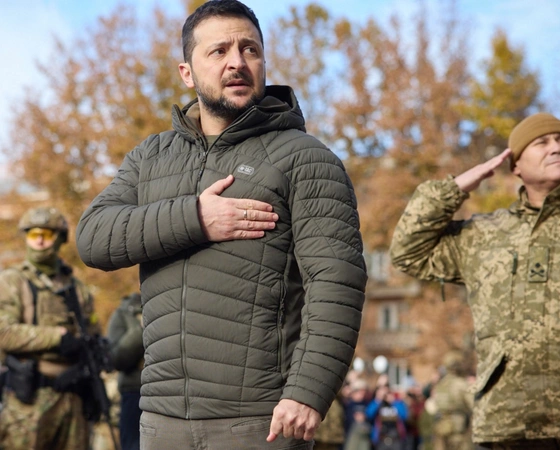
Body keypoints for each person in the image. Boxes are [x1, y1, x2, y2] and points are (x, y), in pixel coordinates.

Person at [75, 1, 367, 449]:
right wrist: (195, 217)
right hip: (161, 420)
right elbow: (94, 238)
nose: (238, 62)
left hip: (260, 422)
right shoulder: (150, 156)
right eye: (219, 51)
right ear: (187, 73)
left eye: (250, 49)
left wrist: (308, 393)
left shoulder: (306, 158)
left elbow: (336, 283)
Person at [390, 112, 560, 449]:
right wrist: (455, 188)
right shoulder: (485, 233)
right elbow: (407, 252)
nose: (557, 147)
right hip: (506, 422)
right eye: (542, 142)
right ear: (515, 165)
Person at [0, 206, 99, 450]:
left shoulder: (77, 289)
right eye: (33, 234)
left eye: (46, 234)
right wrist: (57, 337)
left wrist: (94, 386)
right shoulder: (13, 280)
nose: (40, 240)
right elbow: (4, 333)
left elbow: (93, 337)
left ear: (60, 238)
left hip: (73, 398)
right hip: (29, 402)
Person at [107, 292, 144, 450]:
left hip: (170, 392)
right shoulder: (123, 313)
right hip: (134, 393)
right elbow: (116, 359)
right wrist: (141, 330)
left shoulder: (171, 303)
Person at [430, 352, 473, 450]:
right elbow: (473, 404)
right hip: (458, 428)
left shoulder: (441, 384)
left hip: (442, 426)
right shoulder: (461, 384)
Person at [366, 385, 409, 450]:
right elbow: (369, 415)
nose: (385, 395)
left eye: (388, 392)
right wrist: (378, 400)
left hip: (396, 439)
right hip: (381, 439)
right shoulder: (377, 403)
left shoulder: (397, 403)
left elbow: (404, 416)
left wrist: (394, 401)